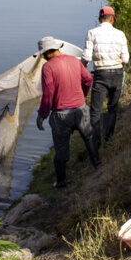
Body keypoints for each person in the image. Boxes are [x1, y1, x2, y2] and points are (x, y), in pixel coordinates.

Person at [35, 36, 101, 188]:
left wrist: (42, 115)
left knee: (61, 149)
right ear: (57, 48)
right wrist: (82, 95)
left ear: (46, 53)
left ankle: (61, 182)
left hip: (61, 115)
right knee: (89, 137)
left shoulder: (48, 67)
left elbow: (48, 94)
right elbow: (88, 80)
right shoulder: (74, 61)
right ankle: (97, 165)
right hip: (81, 109)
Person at [83, 5, 130, 142]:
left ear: (100, 19)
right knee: (112, 108)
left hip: (100, 74)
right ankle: (109, 138)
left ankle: (96, 143)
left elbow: (86, 58)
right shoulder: (120, 34)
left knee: (95, 111)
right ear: (112, 19)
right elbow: (126, 59)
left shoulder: (92, 33)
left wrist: (82, 66)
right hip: (117, 73)